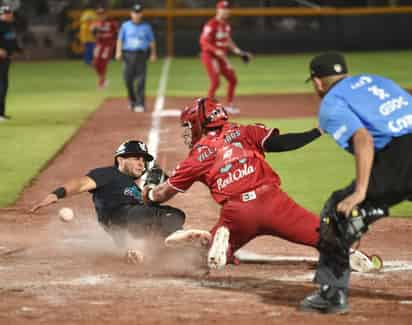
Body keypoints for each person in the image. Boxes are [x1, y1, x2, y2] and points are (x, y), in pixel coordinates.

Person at [142, 97, 380, 313]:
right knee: (325, 236)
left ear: (199, 122)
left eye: (189, 124)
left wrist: (149, 194)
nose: (187, 130)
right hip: (273, 203)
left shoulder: (196, 157)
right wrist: (316, 131)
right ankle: (347, 252)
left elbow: (163, 194)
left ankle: (214, 243)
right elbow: (282, 143)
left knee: (197, 262)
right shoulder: (245, 131)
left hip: (237, 213)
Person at [299, 51, 412, 313]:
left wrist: (361, 192)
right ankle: (373, 208)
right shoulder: (378, 81)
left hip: (399, 157)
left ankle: (331, 295)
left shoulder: (331, 102)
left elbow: (363, 140)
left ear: (317, 82)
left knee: (337, 211)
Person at [30, 140, 185, 264]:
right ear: (120, 159)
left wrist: (152, 191)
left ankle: (140, 251)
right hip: (121, 215)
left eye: (144, 160)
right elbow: (80, 184)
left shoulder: (133, 186)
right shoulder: (108, 174)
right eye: (136, 158)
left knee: (163, 218)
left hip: (122, 229)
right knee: (172, 214)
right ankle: (177, 238)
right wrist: (56, 194)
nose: (142, 164)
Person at [199, 1, 252, 114]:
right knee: (215, 81)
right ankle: (206, 109)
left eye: (228, 9)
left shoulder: (226, 25)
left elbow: (228, 41)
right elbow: (203, 41)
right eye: (224, 9)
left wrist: (240, 52)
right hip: (209, 56)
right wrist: (215, 51)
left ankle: (229, 105)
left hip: (221, 57)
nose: (227, 11)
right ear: (218, 10)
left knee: (233, 79)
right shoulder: (211, 24)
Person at [115, 3, 157, 113]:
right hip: (128, 55)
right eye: (135, 13)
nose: (137, 15)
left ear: (141, 14)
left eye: (139, 13)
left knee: (140, 80)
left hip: (141, 55)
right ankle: (132, 100)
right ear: (131, 14)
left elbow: (151, 41)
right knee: (127, 80)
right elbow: (120, 39)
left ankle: (140, 103)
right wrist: (118, 52)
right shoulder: (125, 26)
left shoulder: (146, 27)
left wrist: (153, 54)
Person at [0, 5, 21, 122]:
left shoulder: (9, 26)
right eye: (7, 13)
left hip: (6, 59)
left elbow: (12, 40)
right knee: (1, 86)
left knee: (4, 85)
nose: (10, 15)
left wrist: (18, 50)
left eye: (10, 13)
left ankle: (1, 114)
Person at [90, 6, 118, 89]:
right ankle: (103, 79)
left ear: (106, 14)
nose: (101, 16)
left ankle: (101, 82)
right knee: (95, 63)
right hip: (99, 45)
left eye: (102, 14)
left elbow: (117, 33)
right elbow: (93, 33)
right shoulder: (95, 23)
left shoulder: (111, 23)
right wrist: (93, 32)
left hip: (108, 46)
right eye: (99, 14)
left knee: (103, 63)